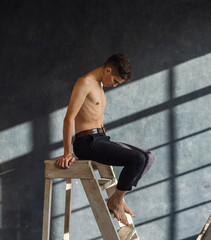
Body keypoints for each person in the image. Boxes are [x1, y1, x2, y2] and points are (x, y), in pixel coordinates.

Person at [56, 53, 154, 226]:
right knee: (137, 159)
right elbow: (68, 118)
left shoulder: (99, 85)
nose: (114, 86)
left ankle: (118, 197)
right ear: (108, 70)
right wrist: (67, 152)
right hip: (87, 143)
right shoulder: (85, 82)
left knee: (148, 157)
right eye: (115, 81)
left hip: (101, 139)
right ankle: (116, 201)